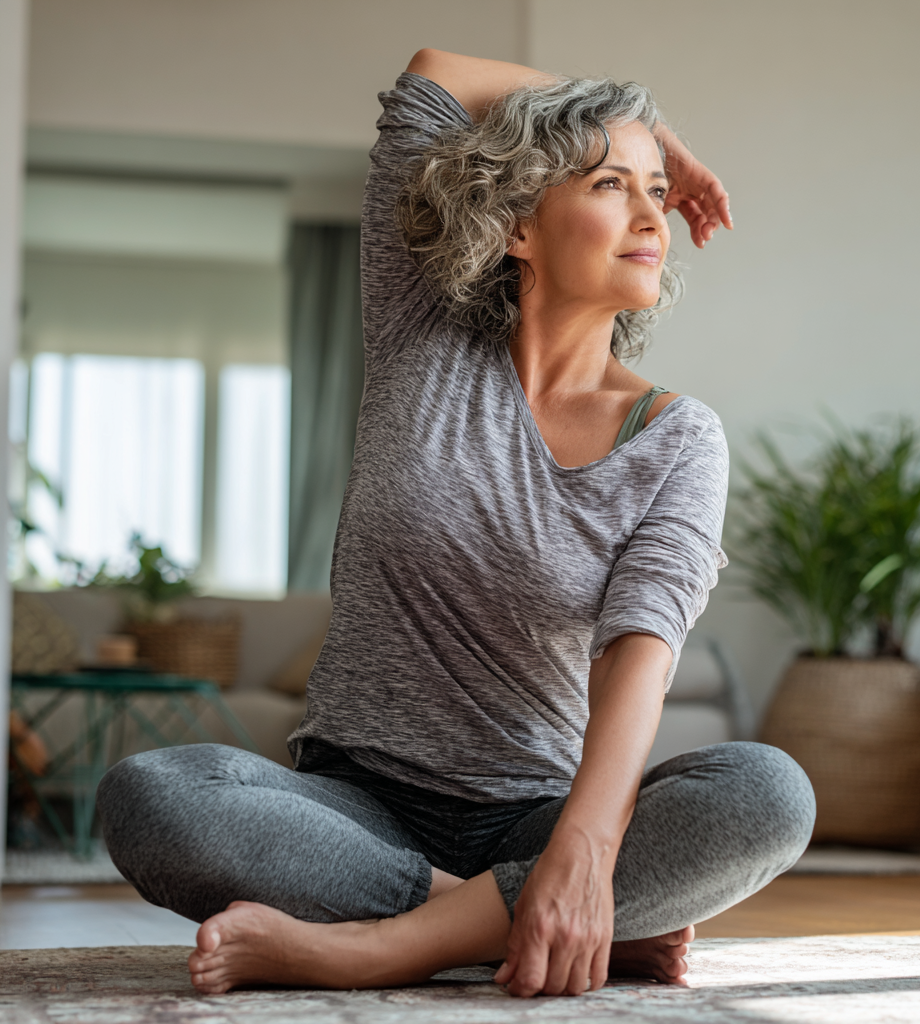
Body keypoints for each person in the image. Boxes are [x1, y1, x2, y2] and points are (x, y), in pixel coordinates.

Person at [97, 49, 815, 999]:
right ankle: (511, 922)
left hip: (537, 813)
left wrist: (585, 850)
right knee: (152, 799)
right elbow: (438, 72)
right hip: (356, 809)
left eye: (658, 191)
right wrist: (661, 136)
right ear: (519, 223)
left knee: (770, 794)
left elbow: (641, 648)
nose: (653, 216)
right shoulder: (419, 326)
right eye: (612, 185)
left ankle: (380, 945)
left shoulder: (678, 437)